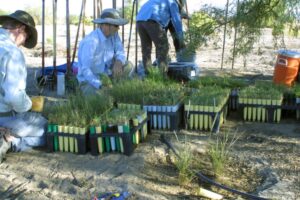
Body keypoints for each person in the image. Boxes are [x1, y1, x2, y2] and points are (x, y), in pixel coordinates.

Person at [0, 10, 47, 163]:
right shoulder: (12, 52)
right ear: (21, 29)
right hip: (4, 118)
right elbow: (14, 96)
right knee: (46, 129)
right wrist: (29, 103)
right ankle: (11, 141)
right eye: (25, 38)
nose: (22, 43)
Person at [77, 8, 132, 95]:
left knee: (128, 65)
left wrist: (119, 61)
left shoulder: (114, 36)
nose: (118, 29)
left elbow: (120, 52)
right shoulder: (91, 41)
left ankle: (114, 87)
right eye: (116, 26)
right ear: (106, 26)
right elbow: (85, 70)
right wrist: (100, 85)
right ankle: (109, 90)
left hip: (107, 75)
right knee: (103, 99)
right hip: (90, 81)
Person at [136, 0, 185, 74]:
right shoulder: (173, 2)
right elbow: (176, 20)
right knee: (163, 47)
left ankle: (148, 74)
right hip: (152, 21)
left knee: (146, 49)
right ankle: (162, 75)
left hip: (139, 21)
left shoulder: (159, 1)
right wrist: (181, 37)